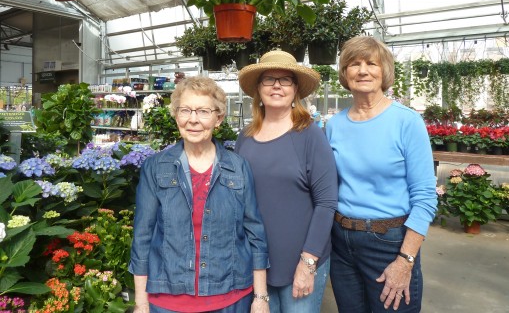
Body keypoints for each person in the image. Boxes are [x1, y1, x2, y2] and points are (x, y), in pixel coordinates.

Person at [129, 76, 270, 313]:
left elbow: (255, 233)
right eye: (185, 110)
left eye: (203, 111)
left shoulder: (238, 167)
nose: (193, 120)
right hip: (168, 300)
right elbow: (142, 237)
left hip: (231, 297)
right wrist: (141, 303)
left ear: (219, 118)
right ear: (176, 115)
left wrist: (261, 297)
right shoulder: (156, 168)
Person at [325, 36, 437, 312]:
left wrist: (405, 260)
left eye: (371, 63)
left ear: (384, 71)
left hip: (389, 242)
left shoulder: (406, 121)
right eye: (354, 64)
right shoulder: (334, 126)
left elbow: (424, 197)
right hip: (341, 241)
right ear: (344, 73)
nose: (362, 70)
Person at [235, 50, 338, 313]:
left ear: (296, 90)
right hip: (256, 263)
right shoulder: (244, 138)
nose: (277, 85)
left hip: (298, 262)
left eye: (286, 80)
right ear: (258, 88)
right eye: (269, 79)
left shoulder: (310, 136)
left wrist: (308, 262)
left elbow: (326, 203)